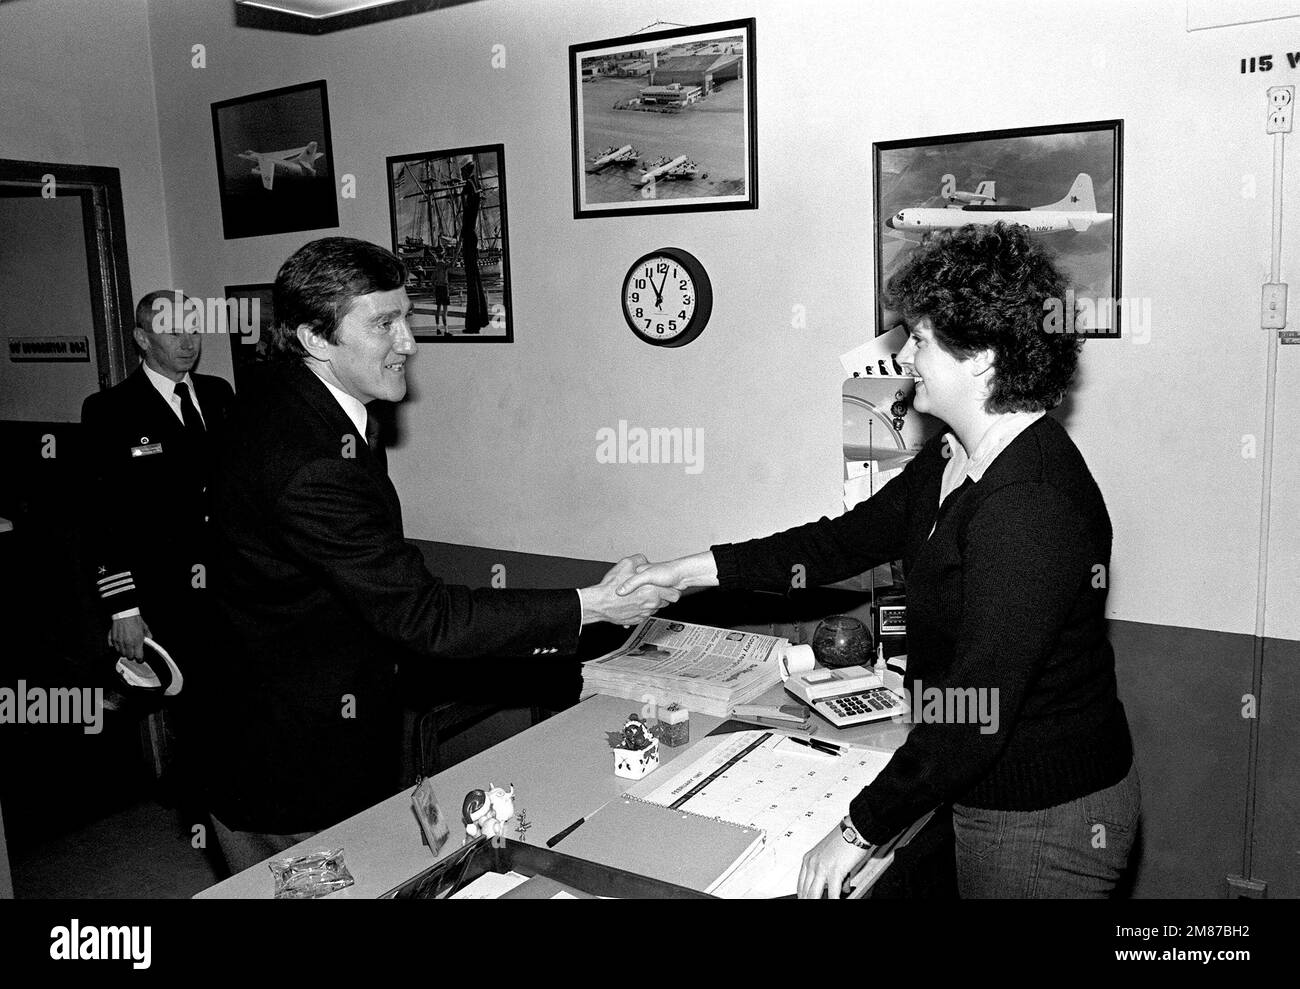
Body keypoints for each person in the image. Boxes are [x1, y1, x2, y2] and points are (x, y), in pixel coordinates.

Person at [620, 222, 1139, 899]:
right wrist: (682, 572)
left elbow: (974, 714)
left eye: (920, 338)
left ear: (980, 355)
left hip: (1043, 820)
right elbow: (834, 544)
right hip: (979, 787)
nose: (907, 355)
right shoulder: (957, 458)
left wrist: (858, 830)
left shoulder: (1030, 502)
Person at [203, 236, 674, 873]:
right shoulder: (308, 458)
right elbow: (425, 617)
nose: (409, 343)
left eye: (407, 318)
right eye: (384, 323)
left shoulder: (309, 407)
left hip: (322, 715)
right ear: (315, 339)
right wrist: (593, 604)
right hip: (293, 764)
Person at [80, 291, 234, 781]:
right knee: (193, 716)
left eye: (193, 329)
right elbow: (100, 519)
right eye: (172, 331)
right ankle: (210, 819)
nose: (188, 341)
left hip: (229, 586)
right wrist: (124, 608)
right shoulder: (110, 410)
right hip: (164, 594)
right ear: (143, 339)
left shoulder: (217, 394)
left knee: (236, 707)